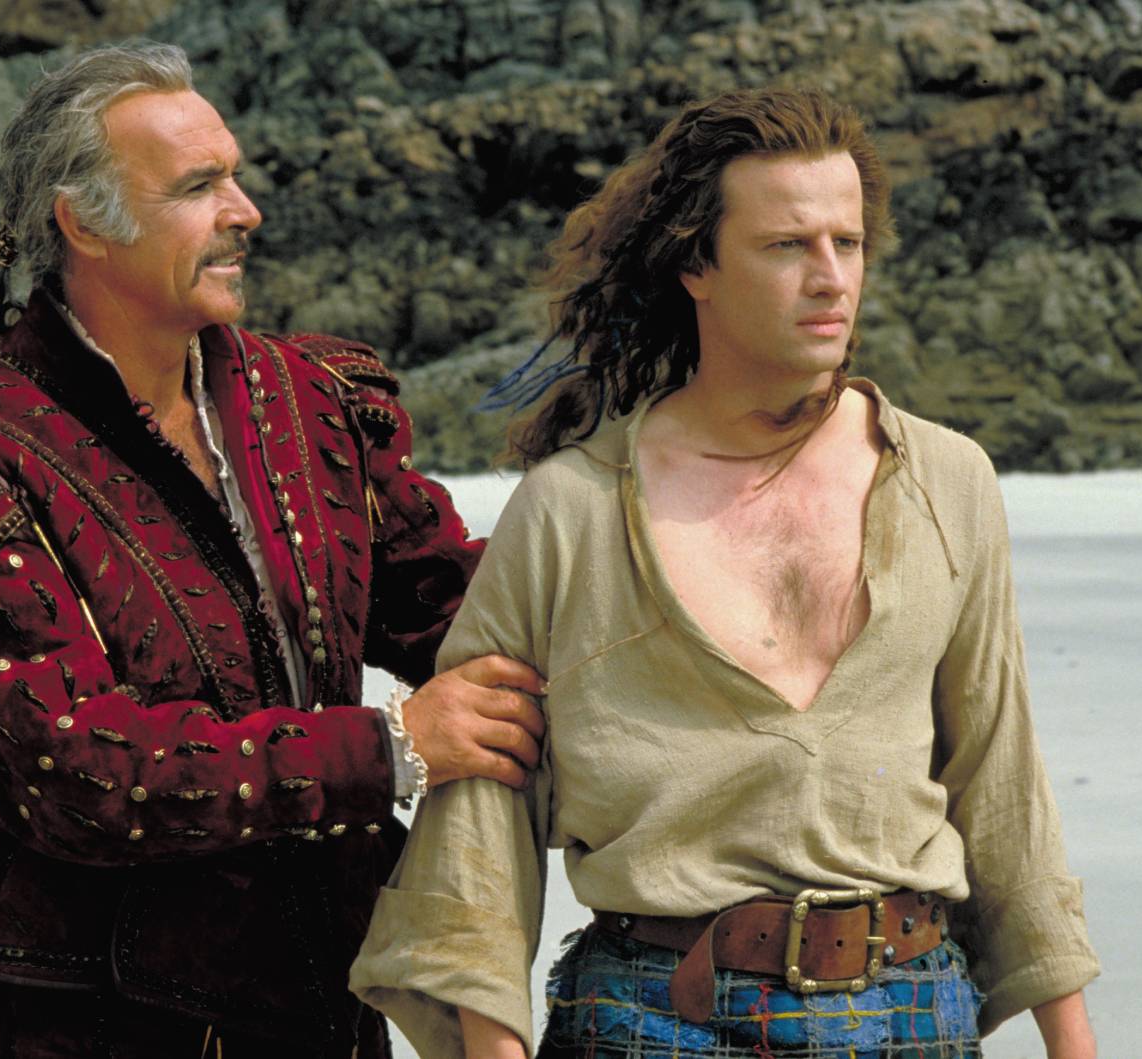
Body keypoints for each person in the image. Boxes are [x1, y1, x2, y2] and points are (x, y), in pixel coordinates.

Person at [0, 41, 545, 1058]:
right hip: (101, 1025)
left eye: (234, 177)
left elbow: (451, 609)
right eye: (199, 187)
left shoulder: (316, 401)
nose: (247, 211)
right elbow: (80, 775)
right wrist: (391, 746)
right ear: (84, 223)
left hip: (332, 1003)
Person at [349, 86, 1100, 1057]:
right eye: (787, 245)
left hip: (912, 1013)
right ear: (695, 264)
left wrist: (1073, 1043)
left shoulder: (946, 482)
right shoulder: (570, 511)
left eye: (848, 242)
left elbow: (999, 776)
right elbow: (484, 829)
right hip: (654, 1019)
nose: (830, 278)